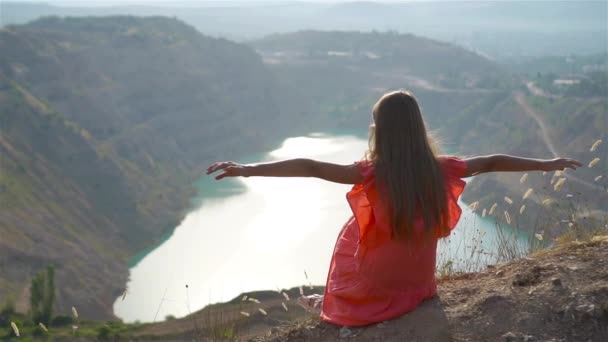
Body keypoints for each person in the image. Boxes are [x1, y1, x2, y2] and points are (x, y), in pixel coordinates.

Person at [206, 90, 582, 327]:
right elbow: (493, 161)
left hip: (382, 282)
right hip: (419, 285)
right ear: (418, 127)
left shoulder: (370, 173)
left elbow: (311, 167)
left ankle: (326, 302)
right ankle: (333, 299)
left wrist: (249, 169)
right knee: (370, 231)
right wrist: (548, 164)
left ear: (380, 130)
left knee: (353, 232)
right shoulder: (442, 168)